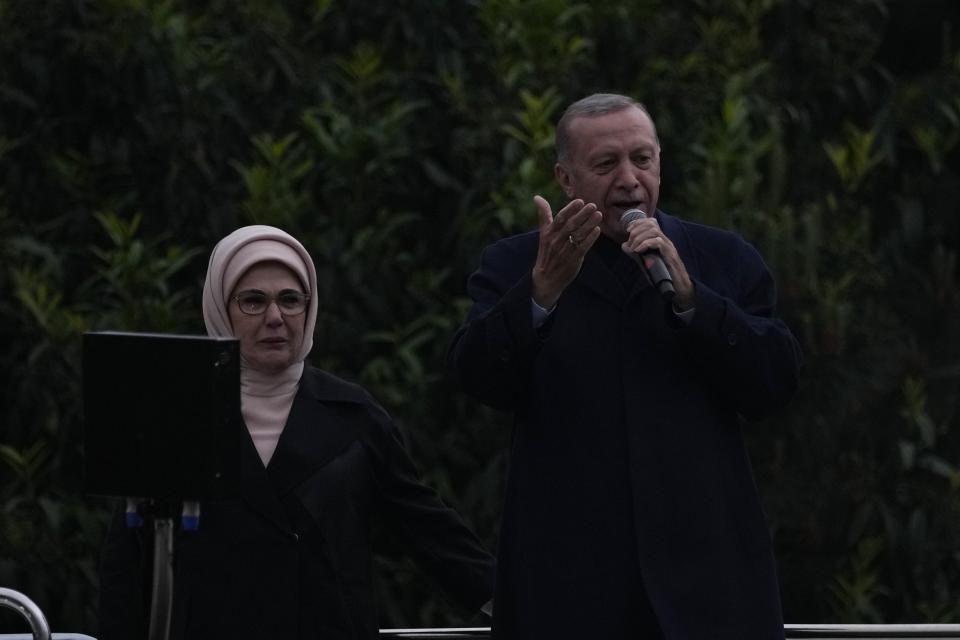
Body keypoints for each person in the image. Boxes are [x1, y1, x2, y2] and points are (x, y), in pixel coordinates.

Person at [447, 93, 803, 639]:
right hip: (568, 591)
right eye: (606, 164)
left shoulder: (722, 259)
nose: (630, 179)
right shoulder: (516, 265)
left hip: (706, 590)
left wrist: (694, 303)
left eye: (643, 159)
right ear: (566, 179)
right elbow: (476, 379)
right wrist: (540, 294)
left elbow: (776, 382)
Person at [99, 225, 495, 639]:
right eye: (253, 301)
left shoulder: (354, 415)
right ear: (220, 308)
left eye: (290, 300)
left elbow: (427, 528)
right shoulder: (177, 417)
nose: (275, 318)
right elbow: (129, 559)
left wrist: (515, 603)